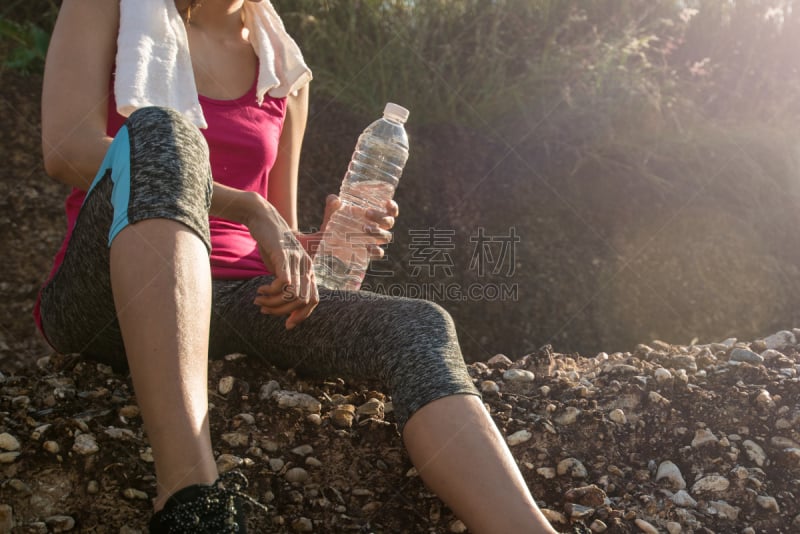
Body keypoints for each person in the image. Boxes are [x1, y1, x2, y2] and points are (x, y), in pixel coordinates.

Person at [36, 1, 558, 532]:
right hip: (111, 285)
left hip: (236, 296)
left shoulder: (282, 68)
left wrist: (322, 242)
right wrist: (247, 205)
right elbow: (64, 149)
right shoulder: (112, 7)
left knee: (420, 325)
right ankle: (191, 501)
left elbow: (277, 231)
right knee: (161, 131)